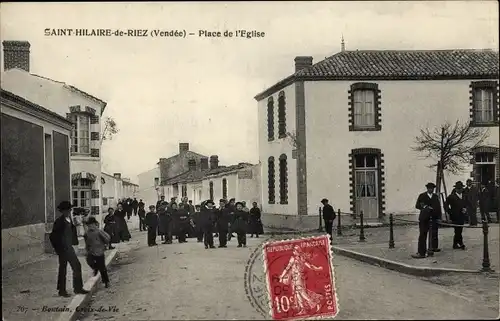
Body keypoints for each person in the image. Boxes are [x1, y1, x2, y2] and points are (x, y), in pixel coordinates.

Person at [49, 201, 89, 297]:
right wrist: (58, 249)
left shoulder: (69, 219)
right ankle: (62, 290)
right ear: (63, 211)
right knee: (64, 269)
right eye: (67, 210)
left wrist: (74, 243)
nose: (69, 211)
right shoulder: (59, 222)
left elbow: (72, 232)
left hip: (69, 247)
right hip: (63, 249)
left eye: (70, 209)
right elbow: (52, 237)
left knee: (75, 266)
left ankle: (77, 288)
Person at [413, 182, 442, 259]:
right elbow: (417, 205)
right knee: (423, 235)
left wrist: (439, 217)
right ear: (427, 189)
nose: (431, 190)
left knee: (434, 234)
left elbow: (438, 207)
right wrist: (425, 207)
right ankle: (421, 252)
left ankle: (432, 249)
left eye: (432, 188)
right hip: (424, 219)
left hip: (433, 218)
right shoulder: (422, 196)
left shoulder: (435, 197)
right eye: (429, 188)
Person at [83, 217, 111, 288]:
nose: (89, 226)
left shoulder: (99, 231)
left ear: (94, 224)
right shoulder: (86, 233)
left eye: (91, 224)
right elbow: (87, 243)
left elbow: (107, 237)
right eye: (88, 225)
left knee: (102, 268)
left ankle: (106, 281)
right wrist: (86, 250)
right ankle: (95, 268)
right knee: (89, 261)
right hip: (91, 251)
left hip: (99, 252)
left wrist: (106, 244)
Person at [445, 181, 468, 250]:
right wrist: (450, 212)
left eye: (461, 188)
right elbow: (445, 205)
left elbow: (467, 204)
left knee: (459, 230)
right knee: (457, 230)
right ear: (456, 189)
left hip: (462, 216)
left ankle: (455, 244)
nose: (460, 190)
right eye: (458, 188)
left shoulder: (464, 196)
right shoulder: (451, 196)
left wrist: (465, 209)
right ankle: (461, 243)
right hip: (455, 216)